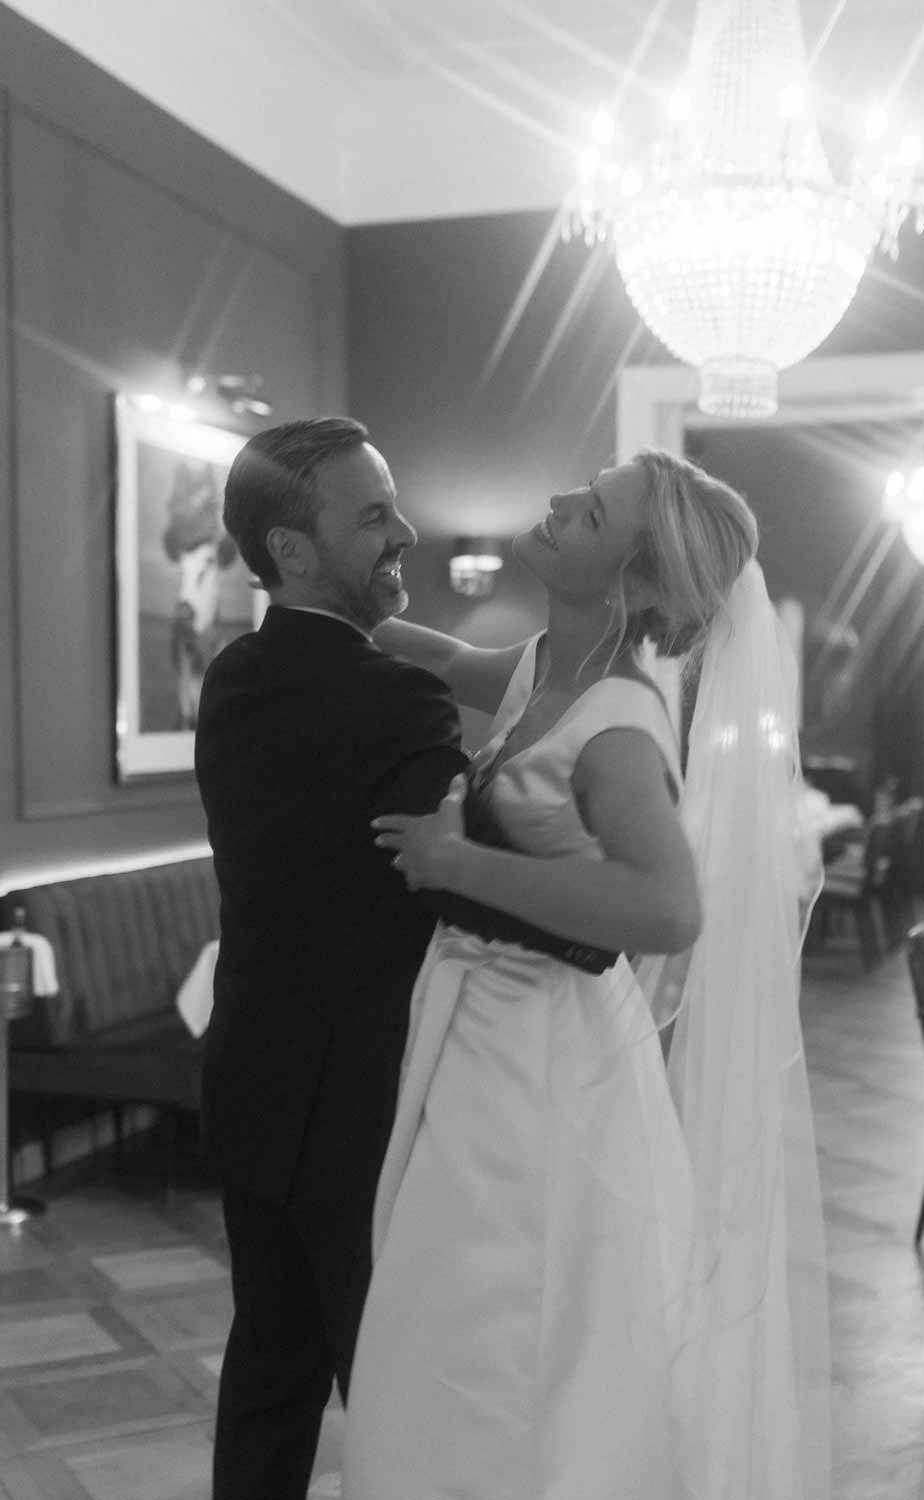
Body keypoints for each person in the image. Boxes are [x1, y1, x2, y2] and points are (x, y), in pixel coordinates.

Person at [343, 449, 830, 1500]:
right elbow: (416, 650)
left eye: (593, 510)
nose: (561, 501)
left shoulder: (618, 723)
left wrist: (454, 862)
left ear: (636, 581)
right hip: (485, 1044)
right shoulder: (537, 670)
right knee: (447, 1328)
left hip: (542, 1071)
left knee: (500, 1333)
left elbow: (667, 909)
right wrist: (347, 588)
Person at [196, 417, 613, 1500]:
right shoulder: (387, 698)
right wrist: (596, 925)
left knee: (269, 1373)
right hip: (370, 1105)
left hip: (252, 1075)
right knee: (397, 1394)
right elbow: (454, 867)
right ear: (292, 549)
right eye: (374, 515)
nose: (407, 533)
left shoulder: (233, 675)